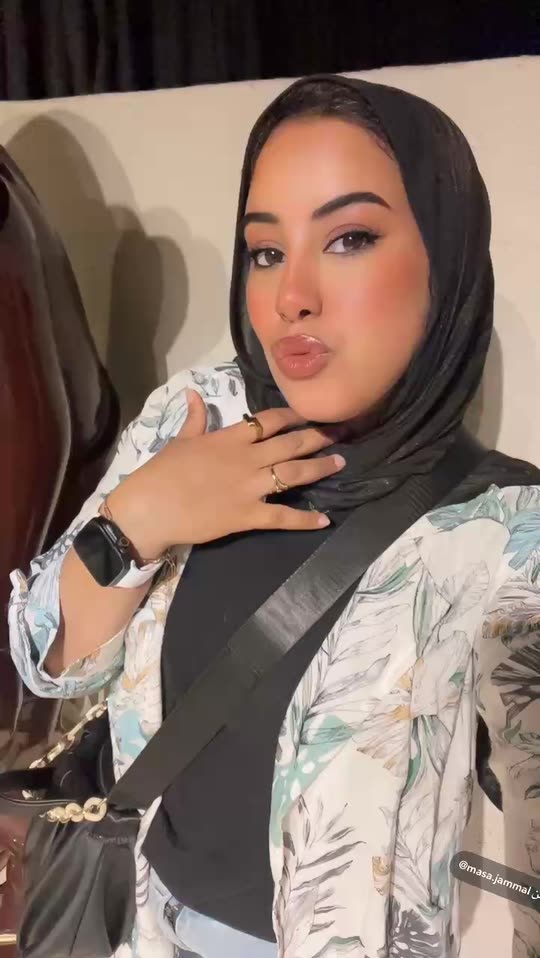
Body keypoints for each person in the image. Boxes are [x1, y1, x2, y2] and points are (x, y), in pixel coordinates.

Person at [8, 73, 540, 958]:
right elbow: (47, 657)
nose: (292, 296)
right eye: (264, 251)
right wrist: (138, 519)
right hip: (141, 926)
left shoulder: (505, 534)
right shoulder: (198, 417)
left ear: (446, 261)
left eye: (349, 239)